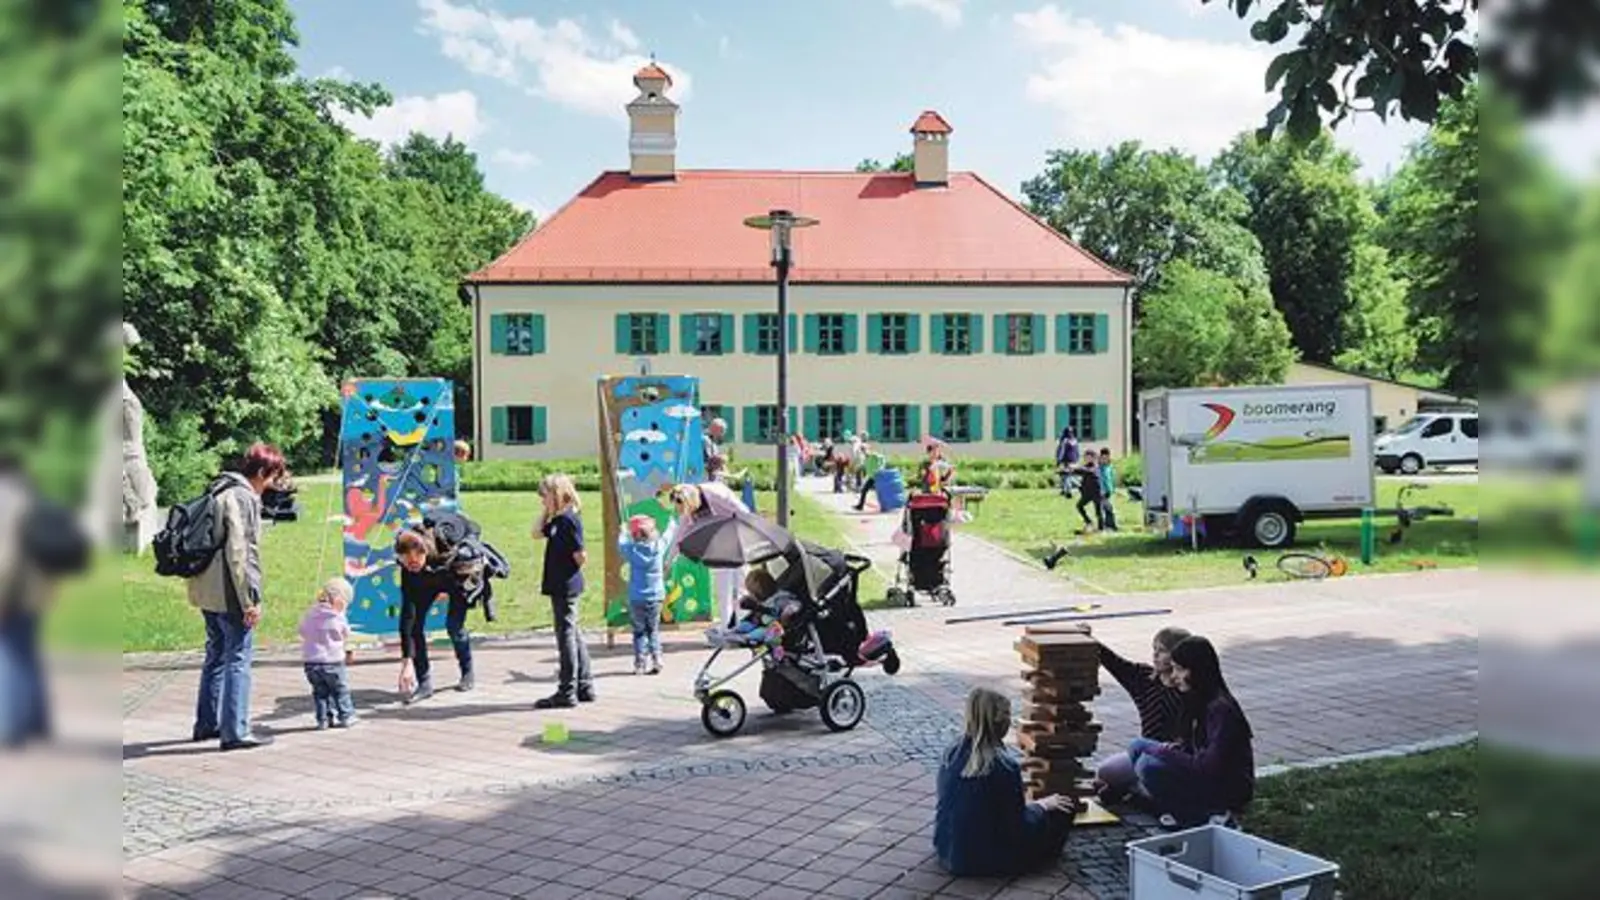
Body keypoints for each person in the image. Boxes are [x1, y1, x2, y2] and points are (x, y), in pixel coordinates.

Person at [189, 443, 285, 751]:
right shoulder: (243, 497)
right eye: (271, 477)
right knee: (238, 658)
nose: (271, 485)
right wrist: (250, 600)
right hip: (230, 591)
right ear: (260, 472)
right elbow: (241, 553)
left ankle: (207, 724)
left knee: (215, 655)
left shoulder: (218, 488)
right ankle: (236, 731)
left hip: (205, 588)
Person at [934, 687, 1075, 876]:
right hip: (990, 860)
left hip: (948, 850)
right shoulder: (1005, 767)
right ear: (1003, 724)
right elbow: (1017, 827)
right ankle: (1044, 860)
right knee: (1064, 808)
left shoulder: (950, 754)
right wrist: (1041, 806)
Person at [1127, 636, 1255, 828]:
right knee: (1137, 746)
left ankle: (1206, 816)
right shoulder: (1195, 698)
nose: (1174, 676)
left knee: (1148, 766)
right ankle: (1171, 807)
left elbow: (1208, 765)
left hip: (1225, 785)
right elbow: (1195, 744)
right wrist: (1180, 747)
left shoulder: (1221, 709)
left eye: (1180, 669)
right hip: (1203, 772)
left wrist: (1166, 753)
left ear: (1197, 671)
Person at [1092, 628, 1190, 802]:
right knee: (1106, 771)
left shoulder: (1186, 689)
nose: (1155, 655)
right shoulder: (1144, 678)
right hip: (1143, 750)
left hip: (1173, 755)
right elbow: (1116, 663)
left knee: (1151, 776)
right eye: (1154, 649)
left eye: (1162, 651)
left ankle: (1136, 789)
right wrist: (1091, 640)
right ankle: (1134, 787)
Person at [533, 474, 593, 709]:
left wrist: (571, 564)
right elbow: (536, 532)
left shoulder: (569, 521)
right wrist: (547, 512)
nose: (541, 501)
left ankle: (567, 690)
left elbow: (581, 556)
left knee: (565, 635)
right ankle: (585, 685)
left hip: (565, 585)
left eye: (545, 496)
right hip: (558, 584)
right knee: (573, 633)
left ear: (558, 495)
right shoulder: (558, 520)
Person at [394, 528, 474, 703]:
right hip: (425, 585)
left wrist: (448, 591)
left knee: (454, 626)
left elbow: (466, 577)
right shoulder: (408, 571)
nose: (412, 564)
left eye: (416, 560)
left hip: (454, 583)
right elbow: (407, 618)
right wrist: (406, 662)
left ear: (425, 552)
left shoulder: (444, 554)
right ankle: (424, 683)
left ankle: (467, 671)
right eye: (407, 562)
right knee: (414, 627)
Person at [617, 514, 678, 675]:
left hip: (637, 598)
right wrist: (671, 522)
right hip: (656, 596)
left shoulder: (631, 550)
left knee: (639, 632)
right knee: (653, 630)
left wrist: (623, 531)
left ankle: (640, 664)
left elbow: (621, 543)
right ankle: (657, 659)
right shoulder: (659, 547)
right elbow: (668, 535)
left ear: (635, 534)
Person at [300, 577, 356, 729]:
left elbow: (302, 630)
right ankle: (346, 716)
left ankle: (323, 719)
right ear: (340, 601)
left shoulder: (310, 613)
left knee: (320, 693)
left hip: (311, 662)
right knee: (340, 690)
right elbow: (345, 633)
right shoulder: (337, 616)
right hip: (332, 662)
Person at [1073, 456, 1104, 532]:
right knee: (1079, 506)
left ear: (1093, 458)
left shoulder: (1096, 467)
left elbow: (1089, 471)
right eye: (1086, 457)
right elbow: (1078, 471)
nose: (1087, 459)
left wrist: (1076, 467)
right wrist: (1065, 470)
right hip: (1087, 493)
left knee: (1098, 511)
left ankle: (1101, 528)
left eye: (1089, 457)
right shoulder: (1085, 467)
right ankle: (1088, 521)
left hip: (1096, 493)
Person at [1054, 427, 1080, 498]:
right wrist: (1077, 460)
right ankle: (1064, 489)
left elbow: (1062, 452)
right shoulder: (1075, 440)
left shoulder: (1065, 441)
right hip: (1073, 460)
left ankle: (1068, 490)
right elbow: (1078, 452)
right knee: (1066, 476)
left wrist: (1058, 461)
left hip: (1066, 461)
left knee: (1066, 476)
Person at [1096, 448, 1119, 532]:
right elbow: (1099, 479)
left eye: (1106, 458)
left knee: (1109, 508)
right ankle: (1105, 525)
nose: (1104, 460)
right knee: (1105, 508)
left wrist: (1113, 489)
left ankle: (1110, 525)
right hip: (1101, 491)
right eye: (1103, 458)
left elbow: (1112, 479)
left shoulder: (1109, 467)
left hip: (1109, 491)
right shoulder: (1099, 468)